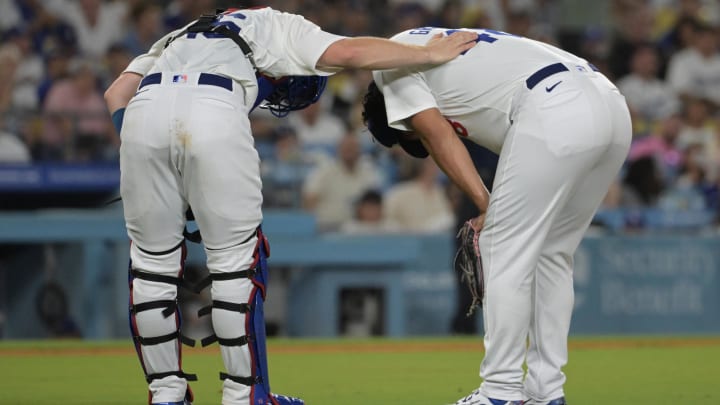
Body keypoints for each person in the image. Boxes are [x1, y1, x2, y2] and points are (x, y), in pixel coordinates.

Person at [103, 7, 477, 405]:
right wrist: (428, 55)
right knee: (234, 265)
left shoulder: (180, 34)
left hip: (142, 117)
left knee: (152, 267)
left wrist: (154, 158)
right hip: (215, 106)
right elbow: (350, 54)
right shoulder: (278, 22)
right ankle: (244, 396)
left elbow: (115, 94)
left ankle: (165, 393)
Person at [362, 26, 631, 405]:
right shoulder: (430, 44)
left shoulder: (389, 65)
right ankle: (546, 391)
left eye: (409, 136)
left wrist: (487, 204)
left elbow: (438, 135)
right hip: (611, 103)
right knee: (552, 254)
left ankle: (499, 392)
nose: (417, 137)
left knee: (501, 245)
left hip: (554, 104)